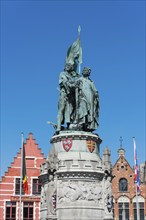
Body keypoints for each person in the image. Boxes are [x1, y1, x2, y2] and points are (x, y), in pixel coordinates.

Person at [56, 63, 79, 132]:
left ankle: (69, 125)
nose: (68, 67)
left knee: (70, 111)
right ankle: (58, 127)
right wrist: (74, 85)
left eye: (70, 66)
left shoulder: (72, 77)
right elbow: (65, 82)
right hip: (64, 94)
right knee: (61, 109)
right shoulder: (62, 74)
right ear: (65, 67)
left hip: (70, 96)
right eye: (67, 66)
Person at [76, 67, 99, 131]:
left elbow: (95, 90)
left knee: (91, 111)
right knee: (83, 108)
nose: (87, 71)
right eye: (85, 70)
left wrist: (96, 94)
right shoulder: (80, 79)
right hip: (82, 96)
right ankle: (81, 123)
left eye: (88, 71)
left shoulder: (91, 81)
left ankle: (88, 125)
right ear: (82, 72)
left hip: (91, 98)